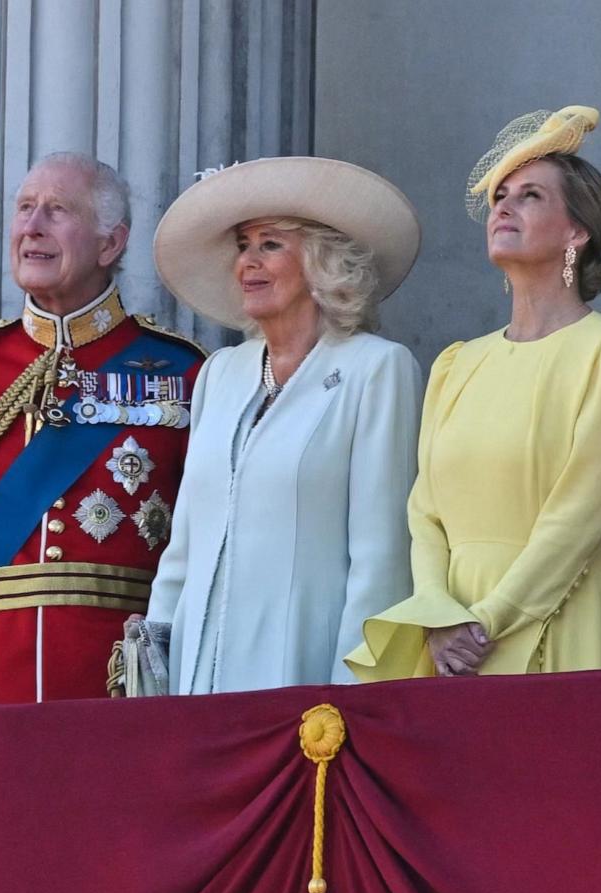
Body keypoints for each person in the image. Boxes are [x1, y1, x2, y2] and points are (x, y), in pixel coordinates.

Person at [0, 152, 205, 708]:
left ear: (110, 244)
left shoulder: (181, 370)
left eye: (57, 210)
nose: (32, 226)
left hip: (119, 679)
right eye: (25, 208)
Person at [347, 106, 601, 679]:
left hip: (559, 616)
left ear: (577, 232)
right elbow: (425, 511)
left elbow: (580, 514)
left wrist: (488, 619)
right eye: (500, 196)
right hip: (451, 635)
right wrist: (437, 614)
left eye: (531, 195)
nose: (503, 207)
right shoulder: (456, 364)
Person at [140, 157, 423, 694]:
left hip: (305, 673)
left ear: (323, 262)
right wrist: (156, 666)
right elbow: (183, 548)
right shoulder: (220, 374)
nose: (248, 260)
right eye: (243, 245)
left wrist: (350, 698)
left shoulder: (376, 369)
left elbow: (381, 560)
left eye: (270, 244)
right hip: (195, 682)